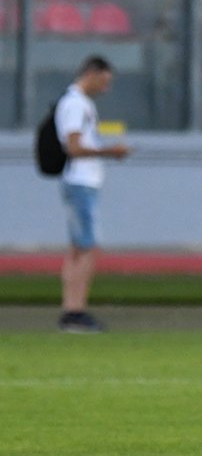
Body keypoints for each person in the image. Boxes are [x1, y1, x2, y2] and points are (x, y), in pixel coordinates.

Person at [55, 55, 130, 333]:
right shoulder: (75, 104)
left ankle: (72, 309)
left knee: (78, 248)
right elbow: (73, 148)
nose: (106, 88)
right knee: (87, 248)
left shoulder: (80, 103)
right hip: (80, 181)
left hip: (82, 181)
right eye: (104, 81)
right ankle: (75, 311)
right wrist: (110, 151)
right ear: (91, 74)